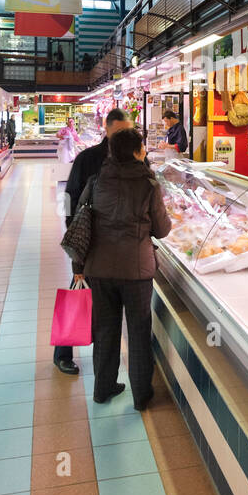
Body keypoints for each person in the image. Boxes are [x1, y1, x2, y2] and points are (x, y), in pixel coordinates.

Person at [77, 127, 171, 409]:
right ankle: (142, 395)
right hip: (136, 271)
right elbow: (162, 230)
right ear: (136, 152)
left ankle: (102, 389)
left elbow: (81, 224)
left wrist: (78, 265)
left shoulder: (96, 181)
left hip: (100, 269)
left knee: (105, 329)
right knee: (139, 330)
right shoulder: (148, 184)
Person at [54, 108, 130, 375]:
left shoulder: (133, 159)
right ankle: (63, 352)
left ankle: (106, 365)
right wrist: (76, 250)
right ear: (106, 130)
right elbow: (69, 199)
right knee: (78, 291)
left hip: (121, 245)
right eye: (120, 132)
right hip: (91, 242)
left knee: (104, 307)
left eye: (128, 132)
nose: (124, 137)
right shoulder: (87, 159)